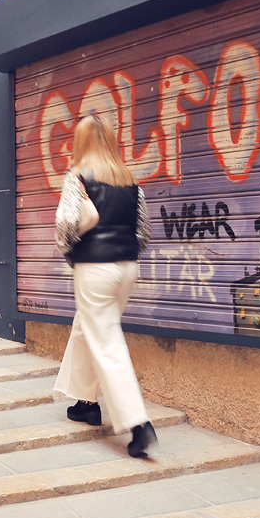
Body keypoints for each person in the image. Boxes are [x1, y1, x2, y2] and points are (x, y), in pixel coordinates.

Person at [54, 113, 156, 458]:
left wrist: (71, 251)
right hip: (127, 267)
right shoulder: (131, 180)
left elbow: (66, 226)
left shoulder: (77, 177)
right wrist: (123, 254)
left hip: (94, 267)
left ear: (80, 142)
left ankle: (138, 423)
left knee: (106, 338)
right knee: (89, 328)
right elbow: (144, 231)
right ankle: (86, 403)